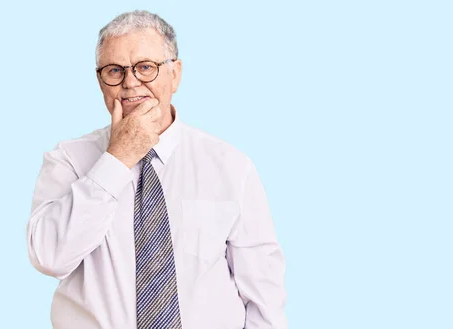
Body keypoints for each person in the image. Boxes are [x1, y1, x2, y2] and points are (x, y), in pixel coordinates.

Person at [26, 10, 288, 329]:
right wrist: (117, 158)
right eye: (114, 70)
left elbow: (264, 295)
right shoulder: (66, 159)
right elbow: (50, 257)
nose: (130, 82)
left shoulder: (231, 166)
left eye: (146, 67)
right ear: (100, 81)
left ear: (175, 74)